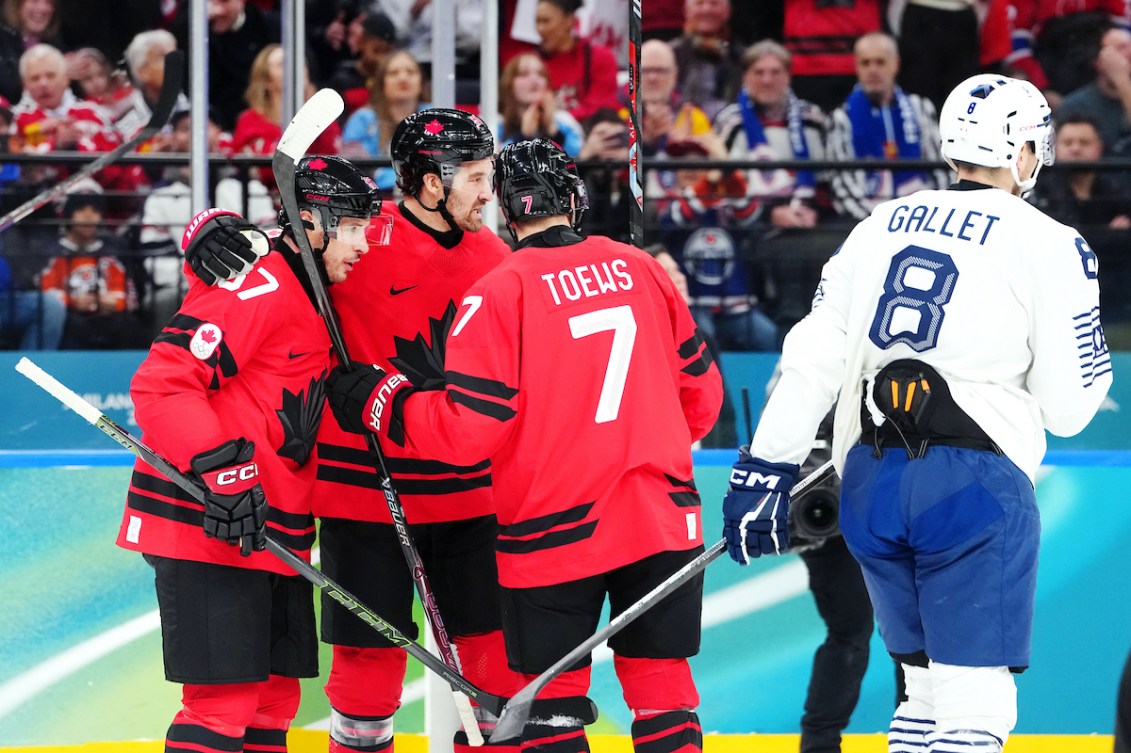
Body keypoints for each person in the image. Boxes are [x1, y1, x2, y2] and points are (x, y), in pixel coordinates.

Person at [721, 74, 1112, 751]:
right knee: (976, 706)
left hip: (870, 480)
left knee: (924, 693)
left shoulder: (877, 223)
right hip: (971, 484)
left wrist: (762, 468)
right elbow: (1071, 408)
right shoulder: (1048, 240)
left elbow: (809, 359)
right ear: (1019, 149)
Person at [323, 137, 724, 753]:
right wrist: (638, 445)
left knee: (546, 704)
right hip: (660, 516)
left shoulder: (500, 287)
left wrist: (388, 402)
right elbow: (701, 397)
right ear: (574, 196)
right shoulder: (642, 268)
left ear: (508, 211)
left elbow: (467, 431)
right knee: (661, 685)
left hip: (553, 527)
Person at [184, 108, 527, 753]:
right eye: (478, 177)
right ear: (433, 182)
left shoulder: (497, 256)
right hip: (364, 494)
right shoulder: (359, 235)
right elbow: (264, 262)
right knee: (367, 678)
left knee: (490, 666)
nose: (491, 192)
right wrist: (207, 234)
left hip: (471, 495)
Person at [117, 154, 380, 753]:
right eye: (354, 227)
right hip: (210, 517)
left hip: (274, 531)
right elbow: (162, 383)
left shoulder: (312, 289)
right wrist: (223, 470)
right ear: (312, 221)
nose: (364, 244)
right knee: (222, 705)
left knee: (272, 703)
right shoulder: (260, 280)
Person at [826, 32, 949, 222]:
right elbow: (841, 184)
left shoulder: (920, 108)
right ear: (856, 66)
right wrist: (877, 223)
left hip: (925, 222)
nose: (872, 70)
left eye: (880, 62)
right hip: (865, 225)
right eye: (865, 63)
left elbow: (942, 169)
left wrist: (934, 217)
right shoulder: (841, 118)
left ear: (895, 64)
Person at [714, 40, 829, 231]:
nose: (767, 80)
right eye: (758, 73)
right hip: (749, 228)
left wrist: (814, 210)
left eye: (775, 72)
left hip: (809, 222)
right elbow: (719, 185)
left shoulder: (813, 119)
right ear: (745, 77)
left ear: (788, 76)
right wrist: (770, 215)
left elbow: (828, 180)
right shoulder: (730, 122)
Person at [38, 190, 148, 349]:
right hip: (70, 319)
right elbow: (44, 294)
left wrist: (112, 302)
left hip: (110, 319)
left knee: (131, 325)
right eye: (81, 211)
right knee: (67, 324)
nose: (88, 217)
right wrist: (73, 301)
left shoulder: (113, 253)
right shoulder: (54, 254)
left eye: (95, 211)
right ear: (69, 215)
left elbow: (130, 295)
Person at [340, 48, 428, 192]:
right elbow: (352, 171)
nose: (403, 78)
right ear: (381, 83)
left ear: (421, 83)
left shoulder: (433, 117)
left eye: (411, 72)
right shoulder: (361, 119)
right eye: (394, 73)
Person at [1027, 113, 1131, 228]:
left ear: (1099, 148)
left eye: (1084, 143)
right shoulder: (1039, 192)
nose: (1075, 149)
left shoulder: (1116, 192)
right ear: (1054, 149)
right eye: (1067, 143)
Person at [534, 0, 620, 124]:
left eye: (546, 21)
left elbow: (600, 106)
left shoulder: (600, 57)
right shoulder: (532, 63)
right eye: (537, 21)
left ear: (569, 20)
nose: (540, 29)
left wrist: (556, 121)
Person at [1058, 26, 1131, 157]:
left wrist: (1124, 84)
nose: (1130, 53)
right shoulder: (1076, 106)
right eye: (1122, 48)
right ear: (1098, 60)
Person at [668, 0, 744, 121]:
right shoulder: (671, 55)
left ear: (727, 11)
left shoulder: (741, 56)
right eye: (699, 3)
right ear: (686, 11)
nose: (707, 9)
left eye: (714, 3)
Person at [498, 51, 584, 156]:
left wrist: (554, 132)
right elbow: (493, 162)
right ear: (509, 84)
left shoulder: (564, 120)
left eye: (541, 74)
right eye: (524, 74)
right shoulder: (494, 123)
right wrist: (522, 137)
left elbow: (578, 157)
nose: (535, 80)